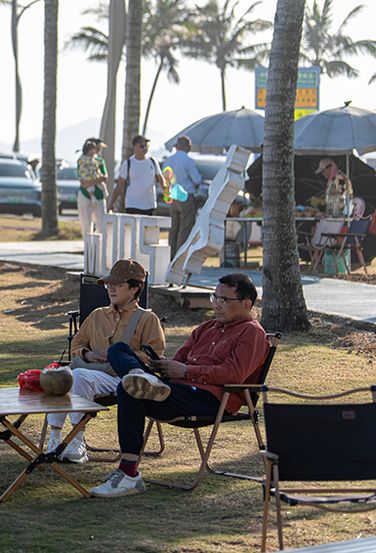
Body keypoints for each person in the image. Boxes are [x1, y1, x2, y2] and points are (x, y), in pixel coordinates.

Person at [89, 272, 270, 498]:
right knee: (120, 354)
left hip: (208, 399)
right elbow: (181, 358)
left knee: (129, 388)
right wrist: (165, 366)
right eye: (215, 298)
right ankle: (141, 377)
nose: (216, 305)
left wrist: (186, 371)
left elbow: (233, 374)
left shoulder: (252, 333)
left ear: (246, 304)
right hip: (173, 391)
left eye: (224, 300)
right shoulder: (206, 328)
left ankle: (128, 472)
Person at [45, 259, 165, 463]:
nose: (111, 288)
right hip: (92, 371)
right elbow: (76, 345)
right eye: (109, 284)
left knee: (79, 376)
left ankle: (76, 440)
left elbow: (154, 356)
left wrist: (119, 355)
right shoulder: (97, 315)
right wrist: (88, 354)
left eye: (118, 285)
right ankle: (55, 437)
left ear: (134, 288)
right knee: (57, 377)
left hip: (123, 378)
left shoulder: (147, 319)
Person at [162, 136, 203, 257]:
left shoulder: (168, 161)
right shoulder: (188, 161)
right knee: (185, 227)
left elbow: (165, 179)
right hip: (185, 196)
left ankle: (170, 255)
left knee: (174, 228)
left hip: (173, 196)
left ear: (177, 146)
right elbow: (197, 179)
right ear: (188, 147)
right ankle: (180, 255)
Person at [108, 135, 166, 215]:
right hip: (132, 204)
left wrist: (167, 192)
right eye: (141, 146)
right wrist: (111, 203)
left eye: (146, 146)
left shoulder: (152, 162)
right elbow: (119, 185)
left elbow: (161, 180)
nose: (144, 148)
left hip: (149, 205)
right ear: (134, 147)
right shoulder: (128, 163)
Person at [76, 138, 109, 235]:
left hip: (99, 195)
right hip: (85, 194)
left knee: (102, 223)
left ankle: (98, 241)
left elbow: (104, 177)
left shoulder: (99, 161)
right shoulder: (83, 160)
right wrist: (94, 181)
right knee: (86, 224)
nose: (98, 150)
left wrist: (91, 181)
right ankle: (87, 243)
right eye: (97, 148)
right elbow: (82, 180)